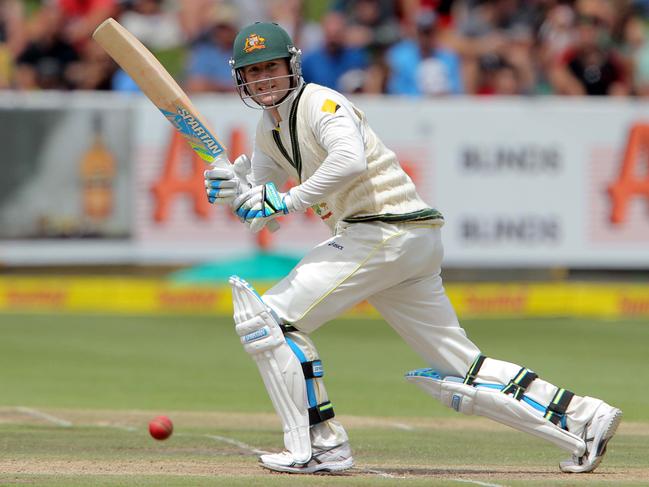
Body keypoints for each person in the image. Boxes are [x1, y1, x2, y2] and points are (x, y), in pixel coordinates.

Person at [203, 21, 622, 474]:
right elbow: (264, 211)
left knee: (268, 321)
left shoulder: (322, 102)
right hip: (403, 241)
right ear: (241, 79)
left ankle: (322, 444)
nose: (264, 78)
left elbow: (348, 160)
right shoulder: (268, 130)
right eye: (253, 71)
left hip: (385, 230)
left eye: (271, 67)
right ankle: (585, 416)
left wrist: (286, 199)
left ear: (292, 65)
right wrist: (238, 194)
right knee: (461, 364)